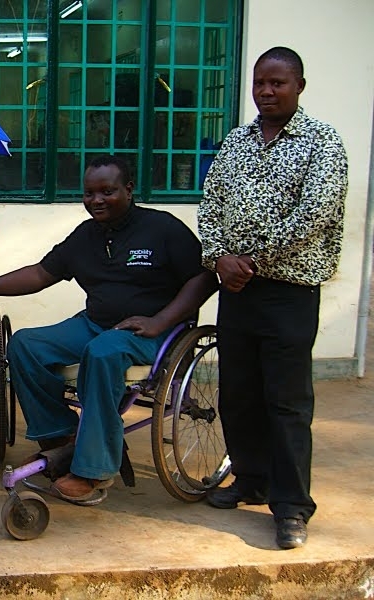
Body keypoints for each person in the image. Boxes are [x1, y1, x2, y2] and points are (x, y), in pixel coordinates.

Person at [0, 155, 217, 502]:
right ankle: (62, 439)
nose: (96, 200)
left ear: (129, 190)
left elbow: (205, 277)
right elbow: (40, 274)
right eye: (89, 193)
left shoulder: (163, 229)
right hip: (96, 325)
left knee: (103, 352)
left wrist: (160, 321)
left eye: (107, 191)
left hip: (155, 333)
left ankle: (94, 470)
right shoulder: (86, 236)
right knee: (25, 345)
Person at [197, 47, 348, 550]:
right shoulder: (236, 142)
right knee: (238, 395)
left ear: (299, 86)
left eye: (278, 83)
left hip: (289, 293)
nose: (266, 91)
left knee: (286, 402)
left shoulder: (323, 144)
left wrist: (250, 260)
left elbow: (315, 216)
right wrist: (220, 258)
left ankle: (291, 507)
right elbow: (210, 206)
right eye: (260, 82)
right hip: (237, 291)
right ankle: (250, 479)